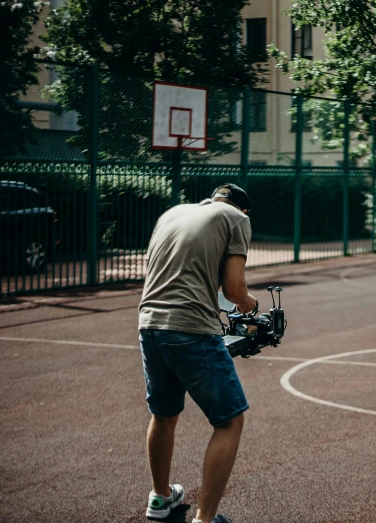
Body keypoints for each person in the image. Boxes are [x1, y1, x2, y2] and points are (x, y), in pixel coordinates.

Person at [138, 183, 257, 523]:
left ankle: (160, 499)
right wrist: (251, 305)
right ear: (243, 209)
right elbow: (234, 290)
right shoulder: (237, 218)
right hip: (190, 327)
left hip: (150, 322)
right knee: (230, 421)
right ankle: (205, 519)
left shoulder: (173, 213)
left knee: (163, 414)